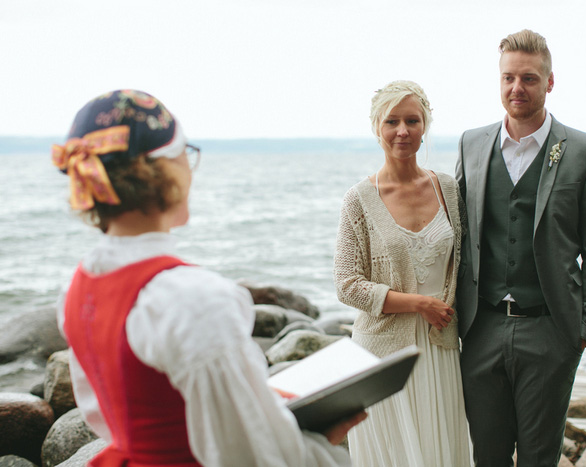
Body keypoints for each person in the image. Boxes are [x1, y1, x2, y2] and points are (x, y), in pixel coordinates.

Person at [52, 89, 364, 466]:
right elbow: (248, 456)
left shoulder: (78, 288)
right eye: (186, 154)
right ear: (163, 170)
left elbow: (107, 416)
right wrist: (315, 445)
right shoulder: (190, 300)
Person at [455, 29, 586, 466]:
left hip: (550, 330)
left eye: (528, 78)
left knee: (539, 457)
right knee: (486, 455)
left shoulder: (585, 151)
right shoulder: (472, 143)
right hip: (481, 327)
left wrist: (585, 327)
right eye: (508, 77)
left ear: (549, 81)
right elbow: (459, 234)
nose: (516, 88)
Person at [334, 80, 472, 467]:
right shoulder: (359, 199)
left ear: (424, 125)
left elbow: (470, 263)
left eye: (412, 120)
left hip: (440, 346)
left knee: (441, 453)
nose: (402, 131)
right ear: (376, 127)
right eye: (392, 121)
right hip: (381, 355)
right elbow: (347, 284)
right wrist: (420, 304)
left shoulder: (448, 189)